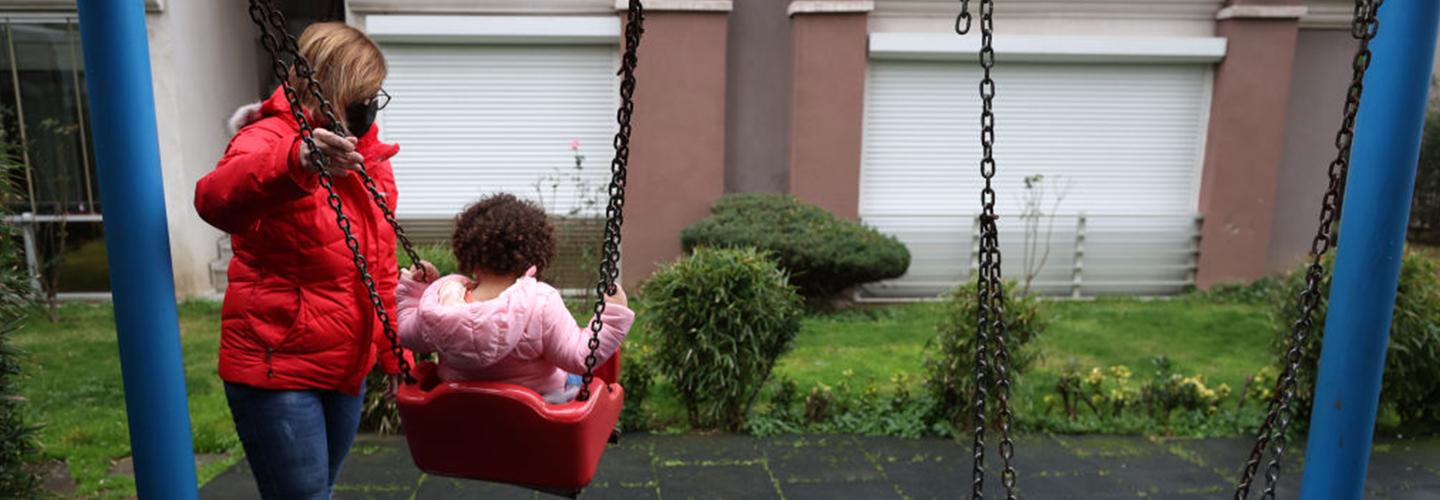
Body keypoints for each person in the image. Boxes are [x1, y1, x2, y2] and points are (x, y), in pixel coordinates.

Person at [194, 22, 411, 499]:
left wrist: (398, 358)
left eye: (377, 95)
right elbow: (214, 200)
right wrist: (296, 162)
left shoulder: (369, 153)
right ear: (333, 86)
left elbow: (381, 269)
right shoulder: (267, 139)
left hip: (345, 364)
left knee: (321, 489)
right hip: (278, 363)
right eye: (363, 93)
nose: (371, 106)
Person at [396, 194, 632, 403]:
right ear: (535, 256)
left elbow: (408, 335)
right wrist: (612, 317)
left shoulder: (441, 302)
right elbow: (581, 357)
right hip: (538, 420)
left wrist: (414, 290)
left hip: (462, 417)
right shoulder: (541, 301)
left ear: (467, 253)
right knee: (575, 377)